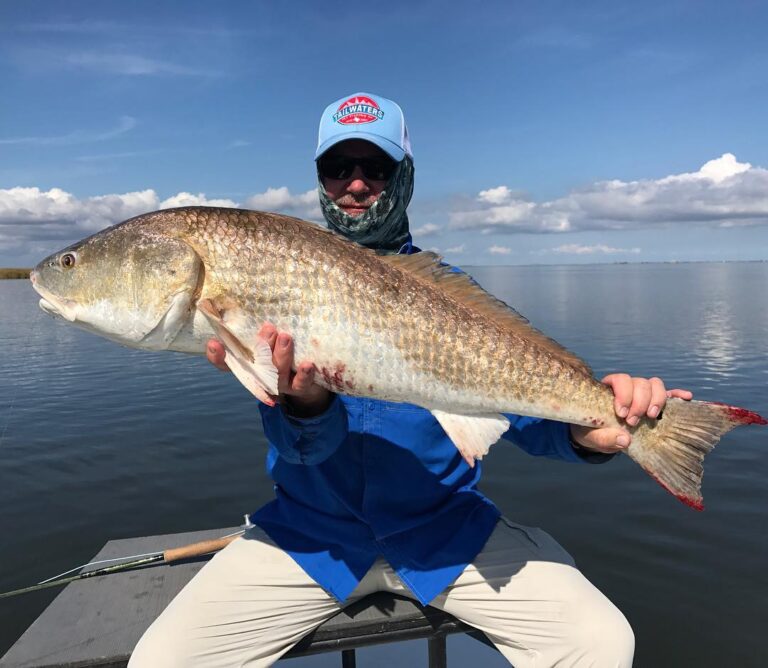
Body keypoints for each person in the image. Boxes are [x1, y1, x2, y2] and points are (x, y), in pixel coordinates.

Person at [129, 93, 692, 667]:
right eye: (338, 169)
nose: (355, 185)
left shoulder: (450, 292)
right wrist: (307, 404)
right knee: (160, 660)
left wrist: (586, 433)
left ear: (405, 176)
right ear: (320, 180)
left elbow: (526, 415)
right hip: (310, 539)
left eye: (375, 168)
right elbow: (300, 450)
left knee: (601, 641)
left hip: (447, 536)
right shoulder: (281, 273)